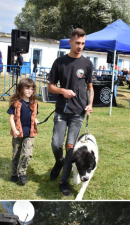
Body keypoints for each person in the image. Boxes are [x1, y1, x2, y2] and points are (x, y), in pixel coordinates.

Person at [48, 28, 94, 197]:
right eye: (77, 43)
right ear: (70, 42)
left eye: (83, 43)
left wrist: (89, 104)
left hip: (78, 113)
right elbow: (50, 86)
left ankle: (63, 181)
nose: (80, 46)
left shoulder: (88, 64)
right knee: (56, 144)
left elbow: (90, 88)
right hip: (61, 110)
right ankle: (59, 162)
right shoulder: (59, 62)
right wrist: (62, 91)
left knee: (70, 147)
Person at [7, 78, 39, 187]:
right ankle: (14, 173)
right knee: (16, 154)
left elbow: (34, 116)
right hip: (18, 133)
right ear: (21, 89)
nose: (30, 91)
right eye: (27, 88)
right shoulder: (15, 103)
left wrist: (36, 120)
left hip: (29, 134)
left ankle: (22, 173)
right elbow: (11, 118)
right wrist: (14, 130)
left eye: (32, 89)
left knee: (27, 154)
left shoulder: (34, 103)